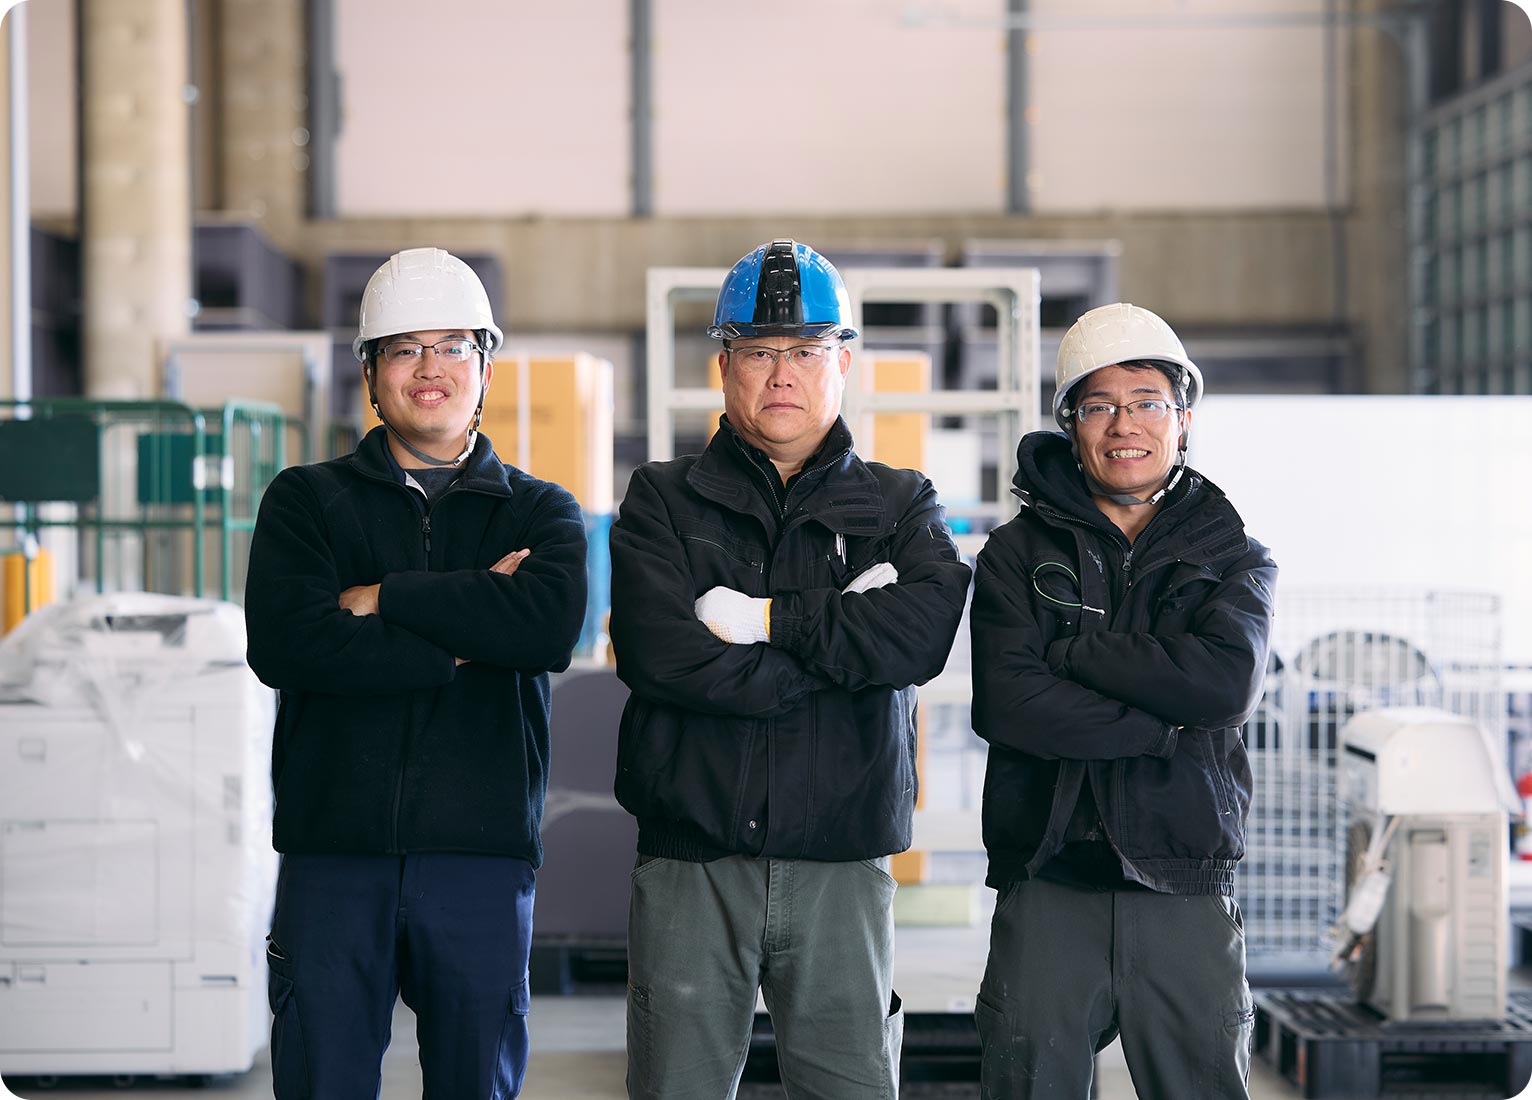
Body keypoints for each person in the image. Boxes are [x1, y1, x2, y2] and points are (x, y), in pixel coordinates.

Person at [609, 239, 970, 1099]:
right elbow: (662, 657)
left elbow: (918, 642)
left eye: (806, 352)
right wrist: (844, 646)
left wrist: (762, 623)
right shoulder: (662, 499)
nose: (782, 374)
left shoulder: (899, 503)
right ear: (723, 366)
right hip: (693, 862)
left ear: (842, 363)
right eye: (760, 352)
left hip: (842, 861)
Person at [244, 247, 588, 1099]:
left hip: (480, 856)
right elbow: (288, 645)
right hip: (333, 855)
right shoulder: (305, 500)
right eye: (404, 349)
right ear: (370, 373)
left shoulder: (540, 510)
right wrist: (464, 638)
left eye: (452, 347)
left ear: (486, 367)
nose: (430, 369)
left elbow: (545, 628)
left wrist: (383, 596)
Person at [969, 302, 1277, 1099]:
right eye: (1099, 406)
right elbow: (1008, 703)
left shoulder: (1234, 557)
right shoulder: (1015, 554)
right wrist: (1161, 728)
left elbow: (1223, 686)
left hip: (1184, 877)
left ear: (1182, 420)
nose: (1124, 425)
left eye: (1146, 403)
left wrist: (1072, 654)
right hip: (1048, 875)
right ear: (1071, 426)